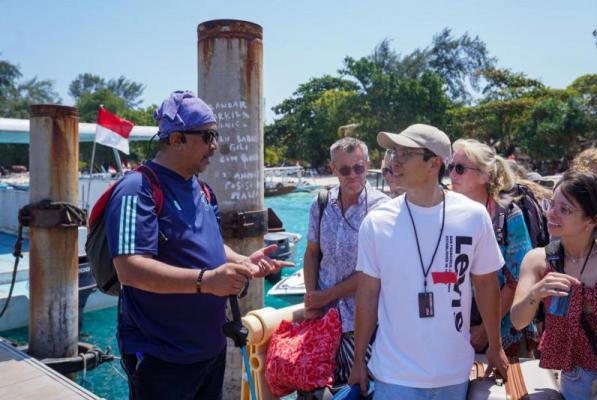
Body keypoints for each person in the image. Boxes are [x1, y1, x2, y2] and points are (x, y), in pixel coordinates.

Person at [105, 90, 292, 400]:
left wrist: (244, 261)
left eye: (215, 136)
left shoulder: (202, 190)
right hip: (162, 357)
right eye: (208, 136)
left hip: (209, 349)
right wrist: (206, 282)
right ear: (177, 139)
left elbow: (212, 245)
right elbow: (129, 269)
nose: (215, 146)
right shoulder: (136, 189)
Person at [349, 123, 509, 399]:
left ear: (434, 163)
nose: (394, 162)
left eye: (405, 154)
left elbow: (486, 285)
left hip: (454, 372)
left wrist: (495, 346)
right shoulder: (376, 222)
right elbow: (367, 296)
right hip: (393, 375)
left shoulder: (473, 216)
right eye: (393, 154)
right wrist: (358, 361)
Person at [303, 137, 388, 384]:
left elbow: (376, 270)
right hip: (324, 321)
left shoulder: (382, 209)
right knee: (322, 389)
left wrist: (327, 295)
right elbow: (311, 253)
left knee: (362, 388)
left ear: (368, 165)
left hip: (363, 326)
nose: (353, 175)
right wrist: (312, 298)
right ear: (333, 169)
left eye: (359, 168)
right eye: (345, 169)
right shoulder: (320, 205)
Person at [511, 170, 597, 400]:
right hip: (574, 380)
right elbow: (518, 321)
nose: (552, 214)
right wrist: (536, 293)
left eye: (565, 209)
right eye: (551, 204)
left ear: (592, 220)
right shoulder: (539, 260)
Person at [450, 139, 539, 357]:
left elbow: (516, 280)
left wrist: (485, 330)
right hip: (457, 330)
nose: (452, 175)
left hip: (504, 330)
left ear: (485, 176)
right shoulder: (445, 213)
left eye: (460, 169)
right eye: (450, 167)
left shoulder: (509, 216)